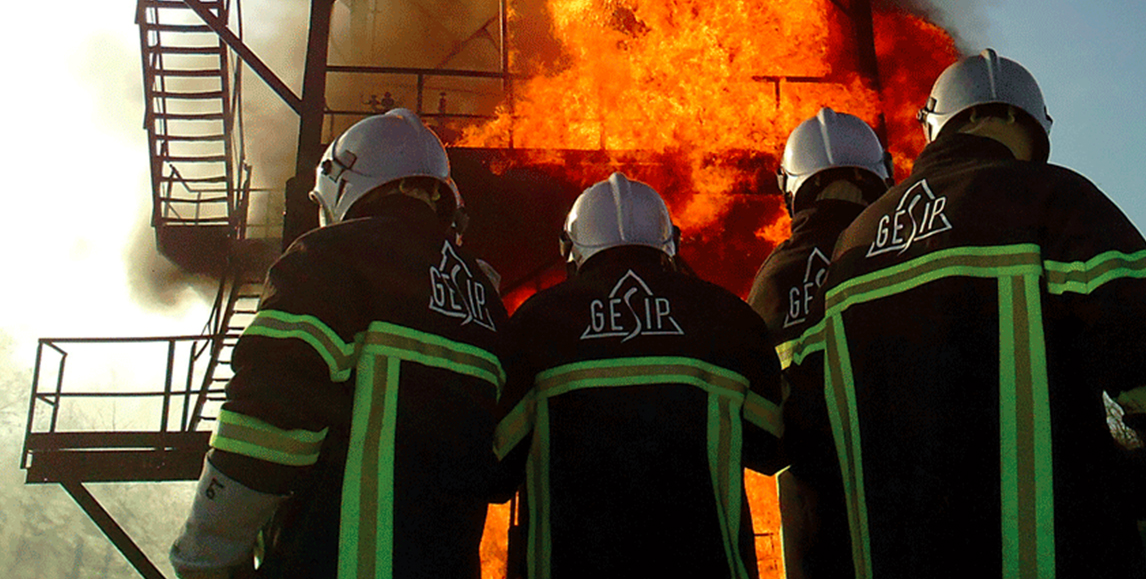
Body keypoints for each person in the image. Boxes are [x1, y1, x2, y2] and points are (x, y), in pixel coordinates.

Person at [782, 50, 1146, 579]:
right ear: (1034, 128)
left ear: (935, 128)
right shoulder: (1054, 197)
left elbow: (808, 425)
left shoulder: (852, 247)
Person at [170, 108, 510, 579]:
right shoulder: (485, 300)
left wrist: (208, 552)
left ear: (342, 183)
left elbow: (269, 421)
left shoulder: (330, 255)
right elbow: (498, 470)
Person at [494, 172, 785, 578]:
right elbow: (773, 447)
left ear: (571, 250)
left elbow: (494, 471)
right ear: (670, 245)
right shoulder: (727, 318)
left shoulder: (537, 324)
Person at [746, 107, 891, 578]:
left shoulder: (773, 281)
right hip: (915, 514)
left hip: (816, 535)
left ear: (793, 186)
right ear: (879, 175)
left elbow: (762, 439)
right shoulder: (907, 245)